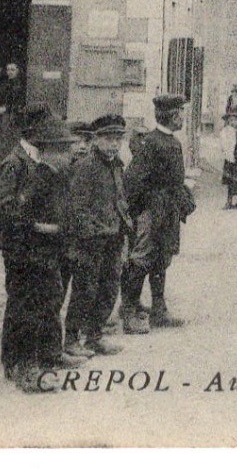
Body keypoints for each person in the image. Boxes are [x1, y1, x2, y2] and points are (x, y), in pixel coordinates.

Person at [0, 107, 86, 393]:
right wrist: (38, 226)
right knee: (24, 304)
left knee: (48, 298)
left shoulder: (45, 166)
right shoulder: (17, 163)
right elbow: (4, 206)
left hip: (42, 247)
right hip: (21, 246)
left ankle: (47, 355)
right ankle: (20, 363)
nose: (68, 154)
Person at [123, 95, 196, 331]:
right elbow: (134, 179)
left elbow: (174, 180)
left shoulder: (170, 141)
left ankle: (158, 310)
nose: (183, 118)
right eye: (181, 114)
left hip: (168, 210)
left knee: (162, 258)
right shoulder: (152, 142)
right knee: (142, 257)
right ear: (173, 116)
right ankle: (129, 311)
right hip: (153, 211)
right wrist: (142, 210)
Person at [63, 115, 130, 357]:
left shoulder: (117, 165)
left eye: (117, 140)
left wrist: (125, 226)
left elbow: (120, 200)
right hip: (90, 240)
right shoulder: (86, 166)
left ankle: (95, 336)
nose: (113, 144)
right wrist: (89, 233)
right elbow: (77, 207)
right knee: (85, 289)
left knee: (109, 288)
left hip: (113, 237)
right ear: (96, 140)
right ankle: (71, 339)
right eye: (108, 139)